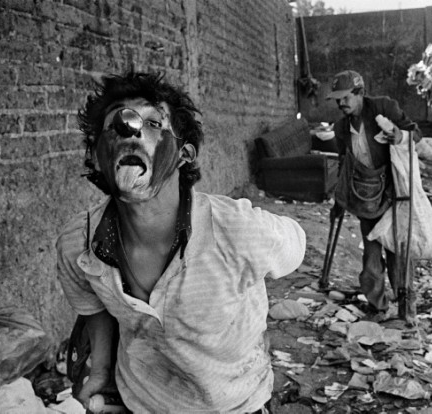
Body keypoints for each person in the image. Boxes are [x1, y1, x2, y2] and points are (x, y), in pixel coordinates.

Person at [56, 71, 306, 413]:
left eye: (153, 123)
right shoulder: (79, 244)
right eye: (116, 126)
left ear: (183, 153)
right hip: (142, 401)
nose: (131, 132)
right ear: (98, 157)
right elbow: (93, 306)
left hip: (237, 403)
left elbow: (294, 245)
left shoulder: (239, 230)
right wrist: (100, 370)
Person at [327, 69, 422, 316]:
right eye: (338, 99)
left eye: (346, 97)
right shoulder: (341, 127)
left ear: (360, 93)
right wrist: (339, 202)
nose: (341, 103)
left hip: (392, 192)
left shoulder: (383, 107)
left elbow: (415, 133)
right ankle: (377, 306)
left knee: (397, 253)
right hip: (365, 195)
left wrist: (399, 136)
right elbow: (344, 163)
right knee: (371, 257)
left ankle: (406, 306)